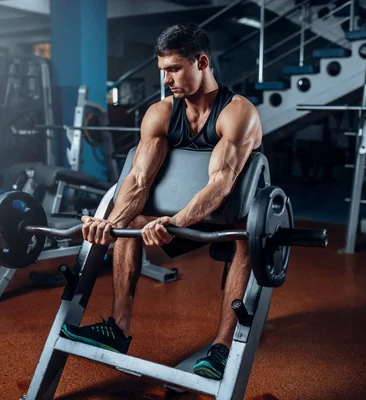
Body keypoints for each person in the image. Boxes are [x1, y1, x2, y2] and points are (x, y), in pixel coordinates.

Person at [61, 22, 264, 381]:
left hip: (226, 216)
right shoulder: (161, 113)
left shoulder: (237, 112)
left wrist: (174, 223)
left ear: (201, 62)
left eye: (174, 69)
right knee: (126, 224)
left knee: (245, 237)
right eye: (163, 71)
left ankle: (220, 348)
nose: (166, 79)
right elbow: (139, 179)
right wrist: (111, 221)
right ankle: (118, 329)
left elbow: (222, 181)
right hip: (175, 219)